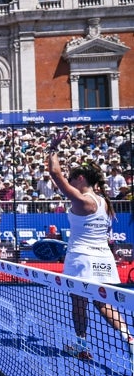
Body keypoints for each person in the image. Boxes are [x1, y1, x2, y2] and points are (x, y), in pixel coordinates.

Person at [47, 132, 132, 361]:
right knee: (103, 302)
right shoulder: (105, 202)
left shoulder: (82, 200)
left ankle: (82, 346)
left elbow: (55, 173)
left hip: (82, 260)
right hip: (104, 260)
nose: (71, 182)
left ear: (81, 178)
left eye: (73, 178)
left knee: (79, 302)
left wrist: (52, 148)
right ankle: (130, 338)